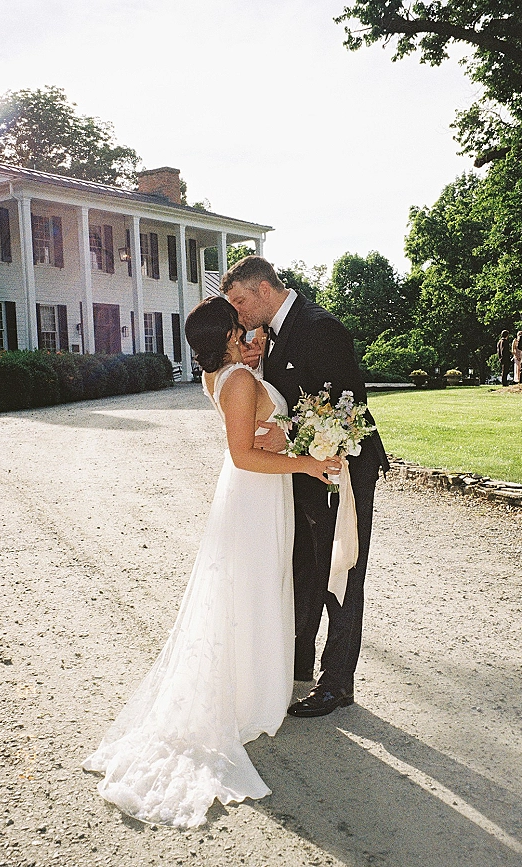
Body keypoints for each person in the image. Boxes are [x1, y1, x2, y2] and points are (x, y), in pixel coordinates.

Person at [82, 296, 339, 827]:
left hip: (251, 494)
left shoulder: (220, 376)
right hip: (253, 490)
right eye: (239, 324)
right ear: (225, 334)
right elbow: (242, 452)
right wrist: (311, 462)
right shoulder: (240, 381)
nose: (247, 326)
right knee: (252, 587)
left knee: (246, 589)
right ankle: (248, 697)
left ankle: (250, 687)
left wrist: (282, 426)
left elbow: (255, 429)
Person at [221, 256, 389, 719]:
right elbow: (290, 391)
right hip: (305, 471)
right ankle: (298, 663)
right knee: (304, 567)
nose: (236, 313)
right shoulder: (271, 336)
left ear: (261, 289)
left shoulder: (319, 326)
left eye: (238, 300)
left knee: (341, 571)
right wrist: (256, 367)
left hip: (343, 470)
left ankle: (337, 683)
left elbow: (349, 399)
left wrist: (288, 430)